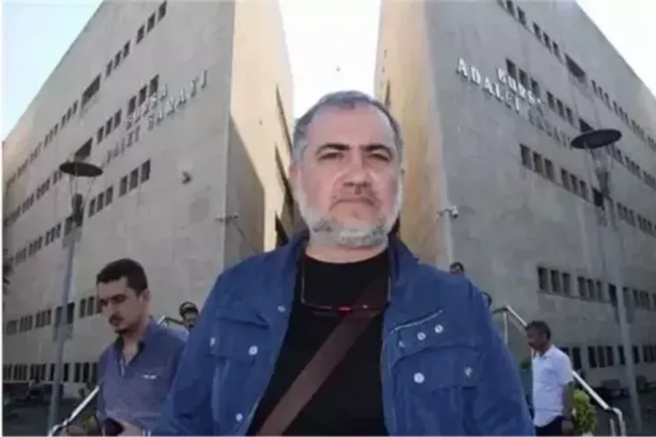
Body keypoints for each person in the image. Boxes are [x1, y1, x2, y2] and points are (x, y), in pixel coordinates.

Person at [153, 91, 532, 437]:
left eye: (377, 156)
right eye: (333, 155)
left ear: (399, 180)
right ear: (297, 177)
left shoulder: (457, 306)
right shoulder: (235, 292)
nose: (357, 176)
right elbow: (182, 425)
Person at [69, 259, 185, 437]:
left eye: (119, 300)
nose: (111, 311)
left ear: (144, 297)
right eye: (104, 303)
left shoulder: (180, 349)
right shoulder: (107, 358)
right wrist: (86, 432)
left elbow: (203, 424)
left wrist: (145, 435)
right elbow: (105, 417)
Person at [526, 320, 575, 437]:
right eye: (528, 337)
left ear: (543, 336)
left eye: (532, 337)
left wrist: (567, 419)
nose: (529, 342)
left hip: (555, 420)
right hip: (538, 421)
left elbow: (568, 387)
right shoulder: (536, 359)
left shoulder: (559, 358)